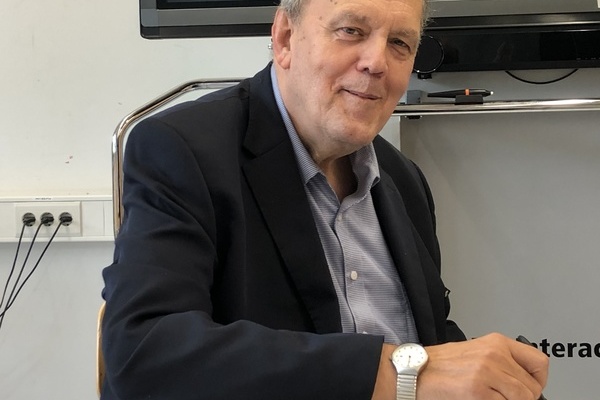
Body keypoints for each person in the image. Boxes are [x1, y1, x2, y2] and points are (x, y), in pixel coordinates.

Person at [101, 0, 549, 398]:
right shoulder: (182, 148)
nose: (376, 63)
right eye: (351, 30)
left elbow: (428, 339)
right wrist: (396, 374)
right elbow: (144, 351)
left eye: (399, 43)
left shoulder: (404, 178)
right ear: (285, 38)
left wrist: (496, 381)